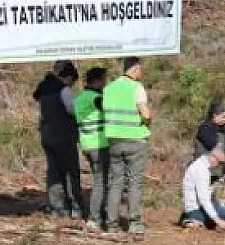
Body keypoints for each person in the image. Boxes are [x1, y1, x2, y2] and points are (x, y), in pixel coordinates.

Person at [102, 57, 152, 235]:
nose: (142, 72)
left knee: (115, 183)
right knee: (134, 183)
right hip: (135, 140)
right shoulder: (137, 88)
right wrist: (148, 121)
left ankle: (112, 224)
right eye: (141, 68)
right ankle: (134, 223)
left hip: (114, 141)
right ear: (135, 68)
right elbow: (145, 113)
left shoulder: (108, 89)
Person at [33, 60, 83, 220]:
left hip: (47, 136)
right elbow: (72, 110)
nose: (72, 84)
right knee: (70, 172)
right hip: (64, 136)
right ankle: (75, 207)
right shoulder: (64, 90)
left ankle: (57, 208)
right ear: (67, 76)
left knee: (54, 172)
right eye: (72, 81)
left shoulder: (43, 89)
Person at [75, 67, 109, 232]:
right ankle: (95, 218)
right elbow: (109, 110)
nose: (105, 83)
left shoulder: (80, 97)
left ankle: (99, 215)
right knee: (100, 182)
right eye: (103, 80)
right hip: (99, 144)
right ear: (96, 81)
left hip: (87, 144)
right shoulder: (95, 98)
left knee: (99, 180)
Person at [180, 143, 225, 229]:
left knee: (222, 209)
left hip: (194, 207)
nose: (220, 165)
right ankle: (194, 219)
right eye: (220, 162)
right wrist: (218, 220)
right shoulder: (202, 170)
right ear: (214, 157)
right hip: (196, 209)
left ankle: (195, 219)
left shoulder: (200, 164)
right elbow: (204, 199)